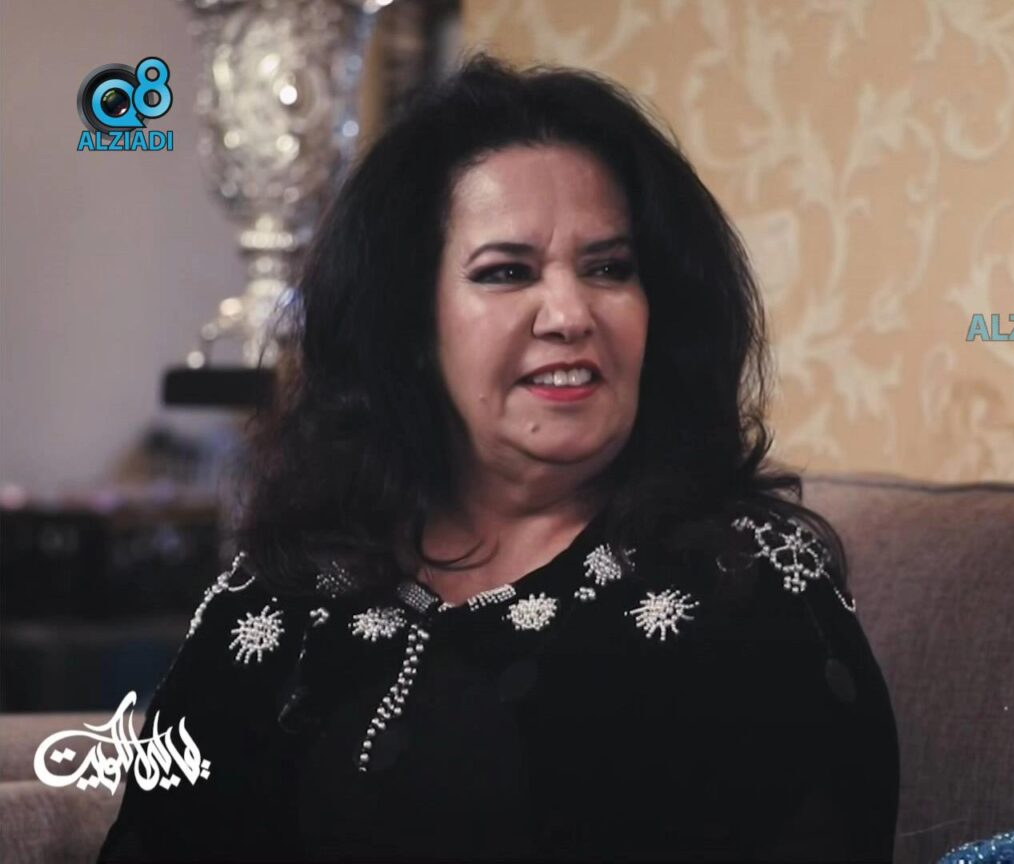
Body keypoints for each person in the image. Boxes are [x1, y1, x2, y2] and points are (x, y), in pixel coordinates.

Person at [97, 54, 899, 863]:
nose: (569, 314)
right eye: (508, 273)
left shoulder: (746, 581)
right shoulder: (288, 586)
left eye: (609, 269)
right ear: (411, 324)